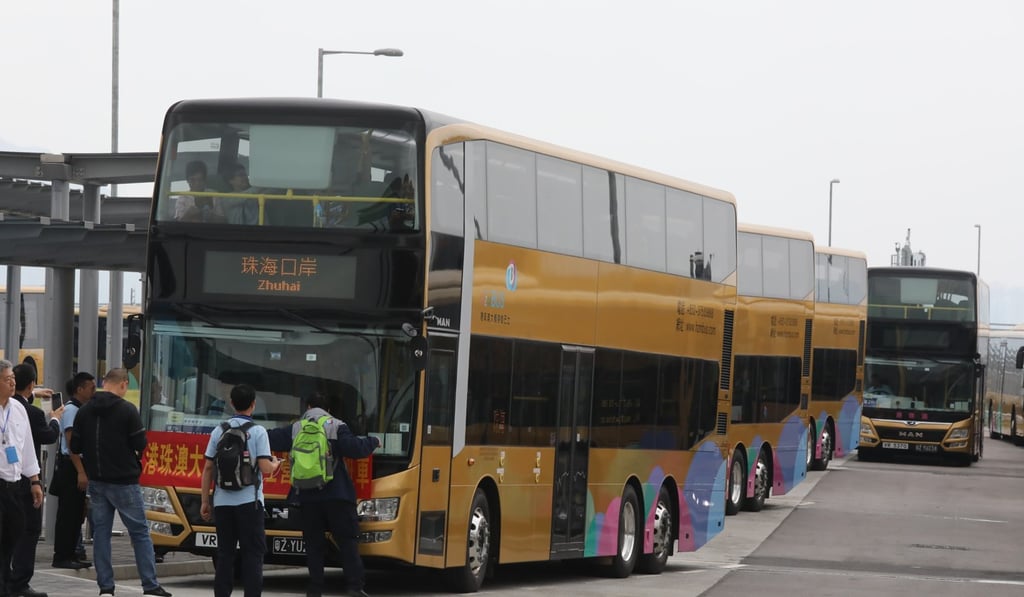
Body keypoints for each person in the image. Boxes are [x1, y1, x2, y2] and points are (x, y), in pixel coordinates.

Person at [70, 368, 172, 597]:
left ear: (103, 383)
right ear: (124, 384)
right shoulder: (127, 410)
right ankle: (150, 586)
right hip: (124, 481)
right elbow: (140, 442)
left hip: (96, 481)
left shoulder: (84, 411)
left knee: (101, 535)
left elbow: (75, 447)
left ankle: (106, 587)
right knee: (140, 533)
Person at [268, 393, 380, 597]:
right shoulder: (336, 425)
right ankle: (354, 586)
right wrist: (373, 441)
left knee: (313, 545)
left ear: (308, 406)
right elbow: (354, 448)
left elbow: (272, 438)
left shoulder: (296, 427)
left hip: (307, 497)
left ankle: (315, 588)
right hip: (337, 496)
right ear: (328, 409)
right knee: (347, 542)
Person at [200, 384, 281, 597]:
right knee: (252, 555)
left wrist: (205, 502)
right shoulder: (258, 432)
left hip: (223, 503)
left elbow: (208, 467)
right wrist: (275, 464)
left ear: (232, 404)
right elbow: (265, 467)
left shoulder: (219, 430)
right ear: (253, 405)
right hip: (250, 503)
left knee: (225, 554)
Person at [7, 363, 63, 597]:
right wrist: (55, 419)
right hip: (20, 480)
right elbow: (47, 436)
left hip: (14, 478)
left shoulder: (15, 407)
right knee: (28, 530)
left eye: (11, 379)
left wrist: (32, 394)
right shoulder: (30, 412)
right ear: (31, 384)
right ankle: (19, 582)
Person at [0, 361, 45, 597]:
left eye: (13, 380)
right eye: (8, 380)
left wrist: (35, 481)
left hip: (15, 486)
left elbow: (27, 447)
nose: (13, 383)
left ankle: (8, 584)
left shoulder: (18, 409)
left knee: (14, 534)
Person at [51, 371, 96, 570]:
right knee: (68, 514)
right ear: (80, 389)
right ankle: (61, 556)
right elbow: (71, 444)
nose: (94, 391)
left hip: (77, 465)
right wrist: (81, 471)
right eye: (91, 387)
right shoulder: (71, 410)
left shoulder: (82, 409)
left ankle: (71, 553)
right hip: (71, 466)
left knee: (77, 513)